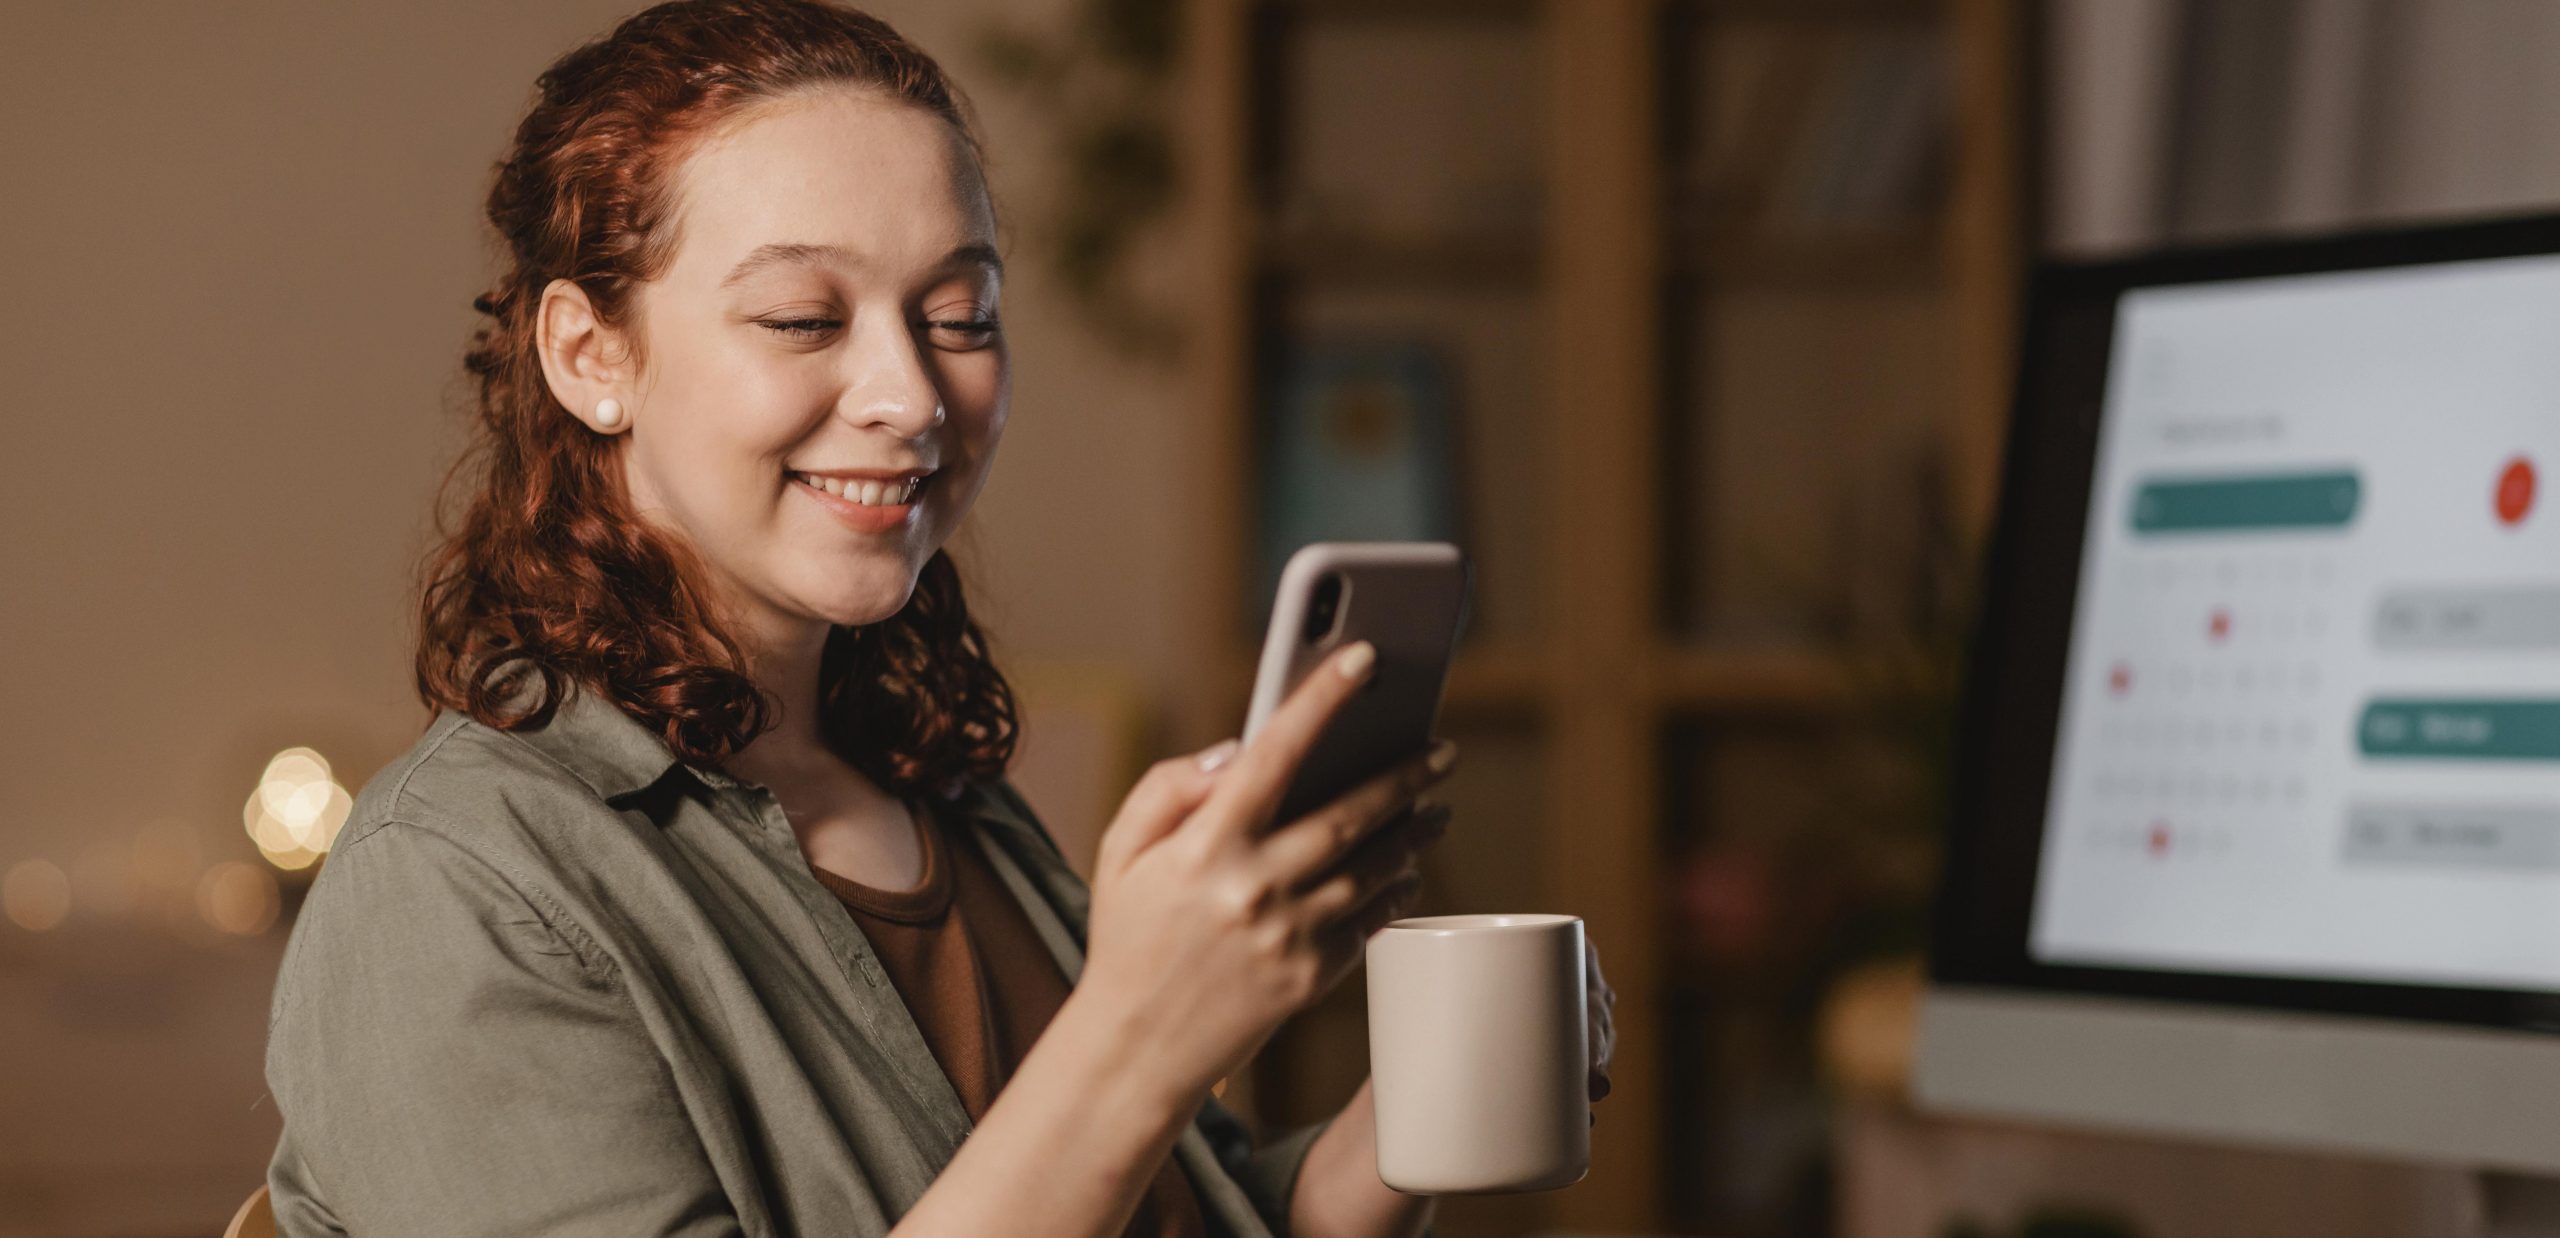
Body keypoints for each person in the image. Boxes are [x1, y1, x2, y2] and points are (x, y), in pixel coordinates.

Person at [258, 2, 1615, 1235]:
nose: (910, 394)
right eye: (802, 317)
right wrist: (1140, 1033)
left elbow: (1165, 1208)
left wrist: (1417, 1116)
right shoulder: (453, 886)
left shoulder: (938, 791)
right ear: (588, 354)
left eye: (961, 314)